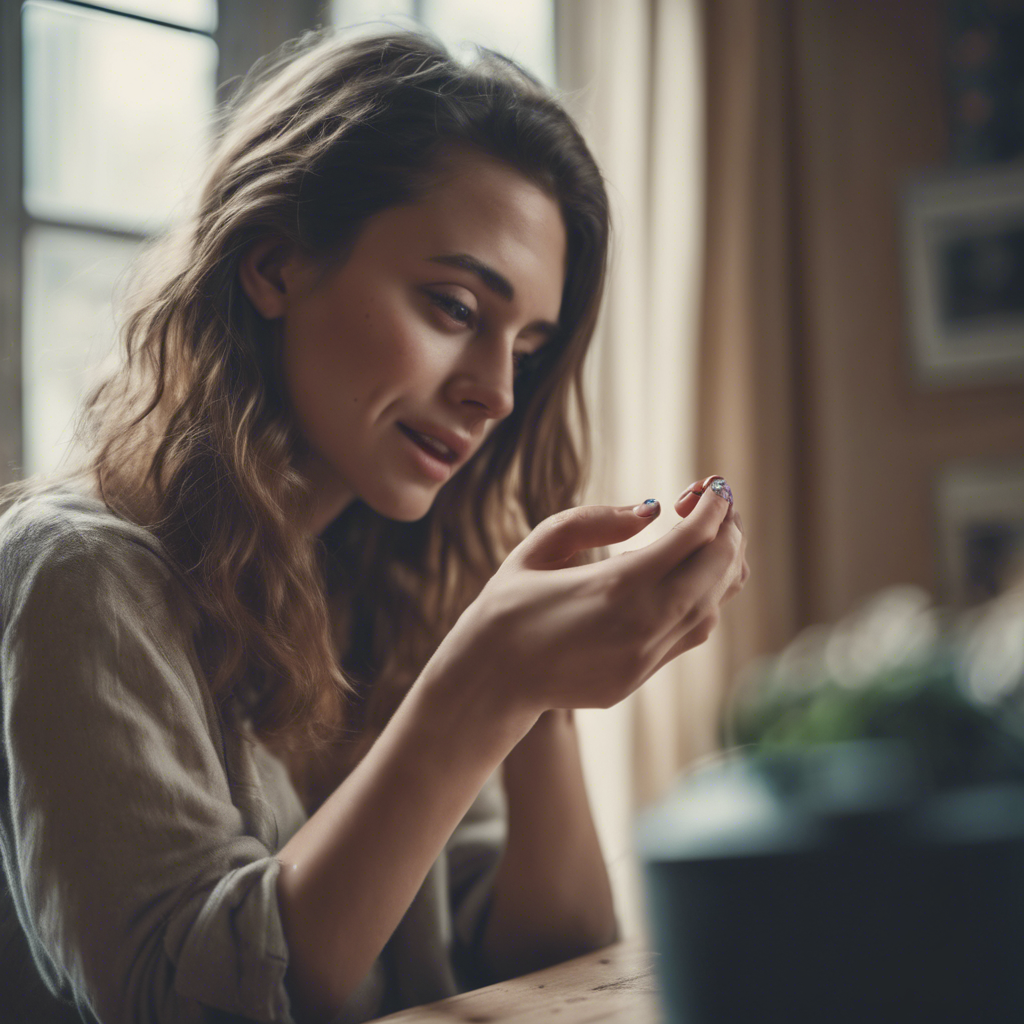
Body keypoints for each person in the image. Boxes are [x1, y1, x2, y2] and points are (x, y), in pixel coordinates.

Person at [0, 27, 748, 1024]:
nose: (494, 392)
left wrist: (542, 684)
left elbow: (550, 959)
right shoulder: (81, 577)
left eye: (526, 345)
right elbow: (184, 1002)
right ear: (273, 264)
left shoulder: (397, 587)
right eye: (451, 307)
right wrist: (486, 683)